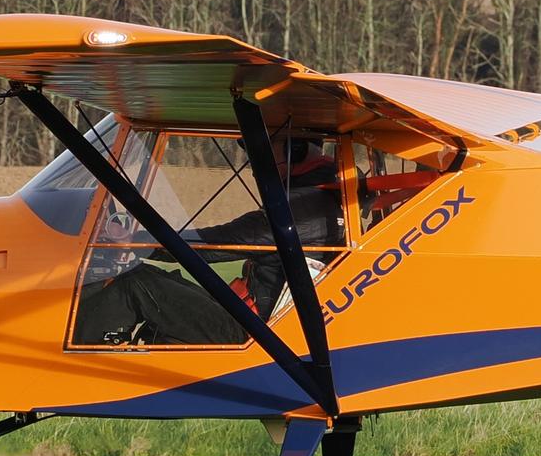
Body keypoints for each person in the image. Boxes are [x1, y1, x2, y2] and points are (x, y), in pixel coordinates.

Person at [73, 136, 342, 346]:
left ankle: (69, 362)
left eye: (262, 151)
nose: (254, 166)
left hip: (253, 331)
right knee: (146, 275)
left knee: (136, 283)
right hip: (255, 319)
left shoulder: (299, 210)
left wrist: (137, 240)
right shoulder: (319, 200)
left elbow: (214, 244)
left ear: (295, 150)